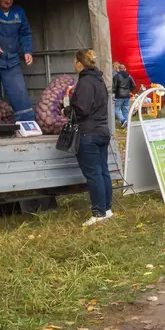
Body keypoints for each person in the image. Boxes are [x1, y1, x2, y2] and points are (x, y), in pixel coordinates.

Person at [65, 50, 113, 227]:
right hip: (102, 131)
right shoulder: (99, 80)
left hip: (88, 133)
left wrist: (67, 109)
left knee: (93, 174)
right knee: (102, 171)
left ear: (79, 63)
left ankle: (98, 212)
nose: (73, 64)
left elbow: (82, 110)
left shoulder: (85, 82)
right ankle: (107, 209)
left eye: (74, 61)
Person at [112, 62, 136, 127]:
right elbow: (134, 85)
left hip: (119, 95)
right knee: (125, 110)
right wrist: (129, 90)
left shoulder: (116, 76)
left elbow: (113, 86)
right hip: (127, 95)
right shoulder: (129, 76)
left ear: (119, 69)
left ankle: (123, 120)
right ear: (125, 69)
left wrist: (113, 93)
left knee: (115, 109)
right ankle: (127, 126)